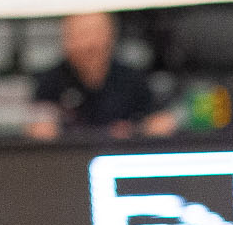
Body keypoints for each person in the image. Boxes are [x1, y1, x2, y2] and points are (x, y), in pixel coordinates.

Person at [25, 12, 176, 141]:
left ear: (110, 36)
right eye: (80, 35)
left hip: (120, 157)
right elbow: (39, 128)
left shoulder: (132, 79)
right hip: (69, 159)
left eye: (95, 34)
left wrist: (139, 129)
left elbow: (158, 120)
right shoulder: (49, 82)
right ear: (66, 40)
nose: (89, 45)